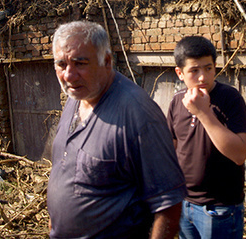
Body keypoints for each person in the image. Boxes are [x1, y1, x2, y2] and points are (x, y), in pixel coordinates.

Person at [47, 20, 187, 239]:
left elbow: (168, 205)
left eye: (80, 63)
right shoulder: (76, 97)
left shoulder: (137, 114)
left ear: (107, 61)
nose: (69, 75)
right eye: (61, 65)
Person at [167, 36, 246, 239]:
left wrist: (203, 112)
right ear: (180, 73)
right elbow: (171, 148)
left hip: (219, 208)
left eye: (208, 68)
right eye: (194, 71)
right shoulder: (177, 101)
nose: (203, 77)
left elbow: (239, 154)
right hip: (184, 205)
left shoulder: (230, 99)